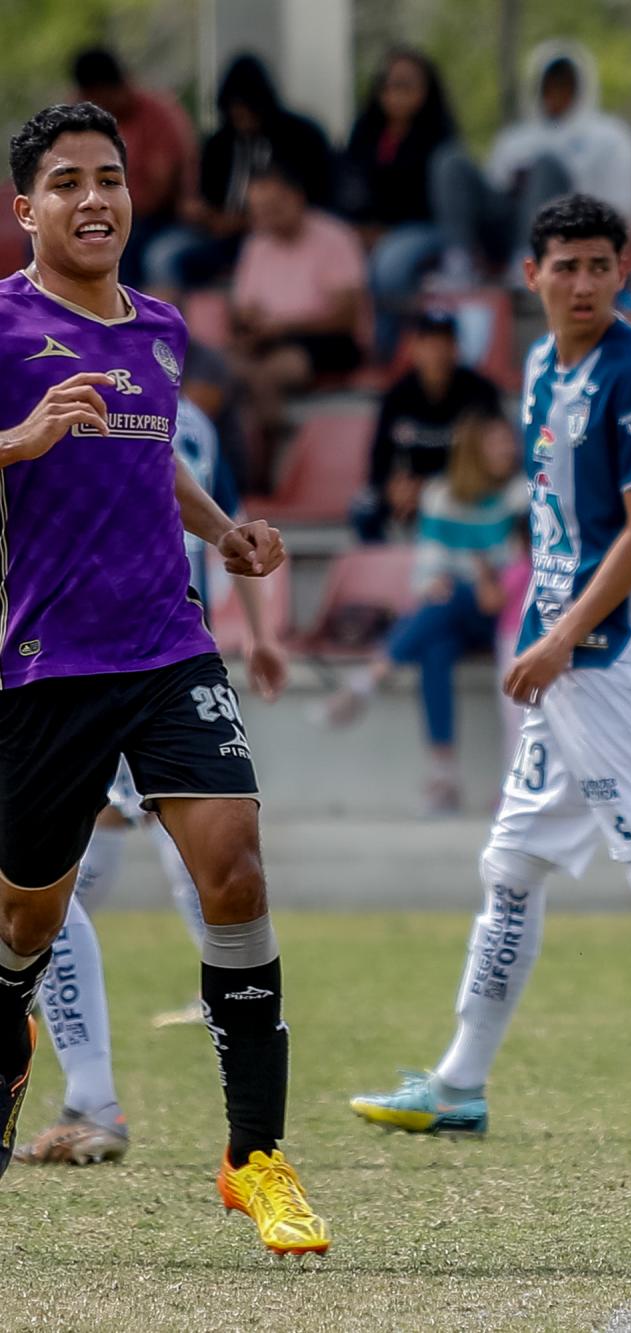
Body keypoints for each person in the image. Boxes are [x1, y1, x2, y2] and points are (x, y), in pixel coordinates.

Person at [349, 194, 631, 1148]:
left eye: (600, 265)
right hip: (565, 657)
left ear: (623, 274)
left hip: (611, 656)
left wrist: (556, 638)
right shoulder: (544, 364)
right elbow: (558, 523)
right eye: (567, 266)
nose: (584, 282)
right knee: (510, 866)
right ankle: (459, 1083)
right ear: (533, 276)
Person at [0, 102, 325, 1252]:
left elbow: (152, 464)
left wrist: (228, 532)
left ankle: (256, 1159)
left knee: (234, 872)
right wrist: (17, 442)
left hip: (167, 645)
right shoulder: (2, 326)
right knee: (22, 919)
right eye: (68, 182)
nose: (95, 200)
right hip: (47, 665)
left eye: (111, 179)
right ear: (25, 207)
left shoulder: (163, 330)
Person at [16, 397, 289, 1167]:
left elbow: (216, 515)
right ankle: (83, 1080)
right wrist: (262, 634)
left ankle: (100, 1097)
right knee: (54, 898)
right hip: (83, 656)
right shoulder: (171, 405)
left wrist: (260, 631)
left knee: (91, 887)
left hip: (130, 654)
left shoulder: (152, 384)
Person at [319, 413, 528, 813]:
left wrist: (476, 581)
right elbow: (427, 571)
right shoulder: (440, 496)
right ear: (472, 450)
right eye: (497, 442)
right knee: (437, 643)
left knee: (448, 604)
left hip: (508, 613)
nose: (508, 450)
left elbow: (516, 571)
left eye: (509, 442)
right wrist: (439, 583)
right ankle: (443, 775)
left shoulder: (521, 494)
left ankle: (371, 678)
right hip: (461, 610)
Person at [431, 43, 631, 284]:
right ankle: (459, 261)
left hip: (569, 235)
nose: (556, 92)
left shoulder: (610, 137)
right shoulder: (514, 139)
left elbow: (622, 210)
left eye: (565, 83)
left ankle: (530, 264)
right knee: (451, 161)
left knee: (546, 166)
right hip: (506, 233)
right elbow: (494, 192)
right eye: (550, 83)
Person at [147, 53, 335, 295]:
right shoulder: (219, 143)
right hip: (218, 236)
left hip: (276, 232)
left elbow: (313, 200)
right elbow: (206, 197)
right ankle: (166, 327)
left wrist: (245, 221)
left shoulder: (300, 136)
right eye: (235, 109)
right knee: (162, 254)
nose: (242, 116)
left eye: (247, 108)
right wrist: (200, 212)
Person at [229, 164, 368, 484]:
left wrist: (285, 326)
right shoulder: (256, 244)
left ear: (297, 199)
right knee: (219, 365)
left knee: (269, 374)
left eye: (274, 207)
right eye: (259, 210)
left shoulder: (334, 237)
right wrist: (252, 327)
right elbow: (243, 309)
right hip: (271, 339)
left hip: (328, 341)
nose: (266, 217)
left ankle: (263, 471)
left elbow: (347, 317)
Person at [340, 48, 459, 351]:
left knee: (390, 263)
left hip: (424, 227)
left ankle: (386, 348)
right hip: (368, 227)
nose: (395, 93)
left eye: (406, 85)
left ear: (426, 90)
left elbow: (434, 200)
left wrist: (384, 232)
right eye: (389, 85)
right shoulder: (365, 131)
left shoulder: (439, 136)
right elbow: (350, 186)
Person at [352, 309, 503, 541]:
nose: (438, 352)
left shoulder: (480, 393)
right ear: (414, 348)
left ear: (456, 348)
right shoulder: (397, 396)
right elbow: (379, 459)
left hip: (464, 488)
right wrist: (391, 488)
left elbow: (497, 456)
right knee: (364, 508)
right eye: (430, 343)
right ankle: (384, 568)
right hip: (410, 490)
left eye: (445, 343)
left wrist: (431, 487)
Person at [69, 46, 197, 288]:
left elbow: (160, 190)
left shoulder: (159, 115)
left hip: (155, 218)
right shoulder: (82, 122)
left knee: (117, 246)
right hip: (98, 210)